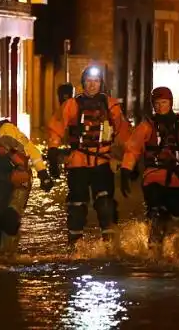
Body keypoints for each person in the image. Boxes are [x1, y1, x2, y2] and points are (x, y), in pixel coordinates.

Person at [46, 65, 132, 244]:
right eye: (89, 81)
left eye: (96, 81)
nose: (92, 85)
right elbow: (56, 127)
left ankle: (109, 244)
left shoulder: (111, 105)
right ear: (83, 83)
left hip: (103, 160)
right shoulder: (71, 105)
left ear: (101, 83)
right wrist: (53, 152)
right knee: (76, 205)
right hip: (78, 161)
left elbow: (124, 132)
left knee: (105, 203)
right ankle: (75, 245)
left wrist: (127, 163)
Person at [0, 100, 53, 256]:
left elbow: (31, 149)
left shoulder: (6, 132)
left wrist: (43, 173)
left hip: (18, 179)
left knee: (10, 218)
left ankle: (11, 254)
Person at [121, 87, 179, 251]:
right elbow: (132, 149)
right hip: (153, 175)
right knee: (155, 211)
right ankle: (154, 248)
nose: (160, 106)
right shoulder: (146, 126)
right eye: (156, 103)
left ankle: (175, 247)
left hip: (178, 178)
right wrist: (125, 171)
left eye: (164, 103)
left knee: (176, 214)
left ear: (170, 103)